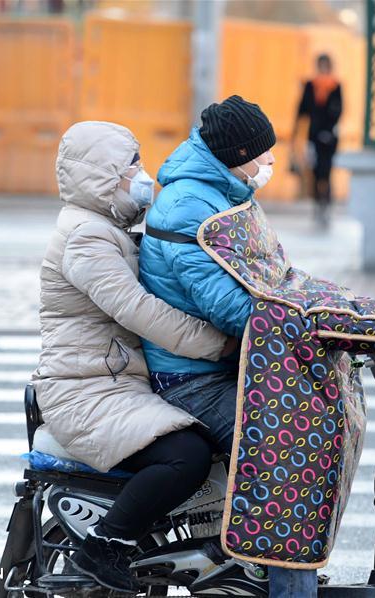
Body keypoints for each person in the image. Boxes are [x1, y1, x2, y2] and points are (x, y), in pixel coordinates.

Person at [32, 121, 236, 593]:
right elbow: (141, 311)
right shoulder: (87, 238)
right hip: (84, 391)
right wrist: (221, 345)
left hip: (114, 383)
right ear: (102, 176)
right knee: (186, 455)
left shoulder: (110, 227)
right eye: (132, 166)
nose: (143, 175)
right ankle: (105, 544)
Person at [138, 96, 318, 597]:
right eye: (262, 155)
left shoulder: (225, 190)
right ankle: (288, 584)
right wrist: (306, 329)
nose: (269, 164)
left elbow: (267, 273)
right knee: (287, 451)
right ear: (238, 153)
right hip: (190, 378)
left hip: (222, 362)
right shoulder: (189, 205)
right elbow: (227, 305)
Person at [293, 53, 342, 227]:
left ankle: (326, 205)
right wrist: (297, 133)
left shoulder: (335, 86)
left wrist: (328, 130)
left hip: (329, 139)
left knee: (326, 171)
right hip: (313, 137)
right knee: (314, 171)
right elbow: (302, 110)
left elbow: (338, 111)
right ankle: (317, 205)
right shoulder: (310, 85)